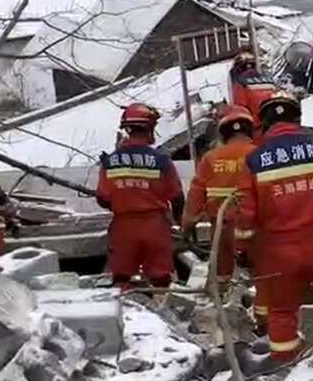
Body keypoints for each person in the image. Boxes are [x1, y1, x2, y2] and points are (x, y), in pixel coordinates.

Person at [236, 91, 313, 359]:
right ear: (298, 117)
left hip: (278, 254)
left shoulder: (255, 161)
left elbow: (246, 215)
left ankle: (288, 369)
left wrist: (244, 249)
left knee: (282, 311)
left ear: (265, 123)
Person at [96, 103, 184, 290]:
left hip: (123, 227)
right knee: (161, 281)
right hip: (155, 227)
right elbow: (177, 197)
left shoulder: (110, 162)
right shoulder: (161, 161)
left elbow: (103, 199)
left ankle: (124, 314)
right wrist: (179, 223)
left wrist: (125, 199)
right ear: (149, 128)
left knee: (122, 280)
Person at [182, 104, 256, 290]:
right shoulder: (261, 155)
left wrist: (187, 227)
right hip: (255, 229)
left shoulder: (210, 158)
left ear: (223, 132)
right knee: (259, 281)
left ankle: (226, 312)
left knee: (224, 280)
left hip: (221, 231)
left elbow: (195, 197)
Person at [230, 49, 278, 133]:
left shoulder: (240, 83)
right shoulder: (269, 79)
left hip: (258, 129)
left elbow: (240, 109)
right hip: (275, 124)